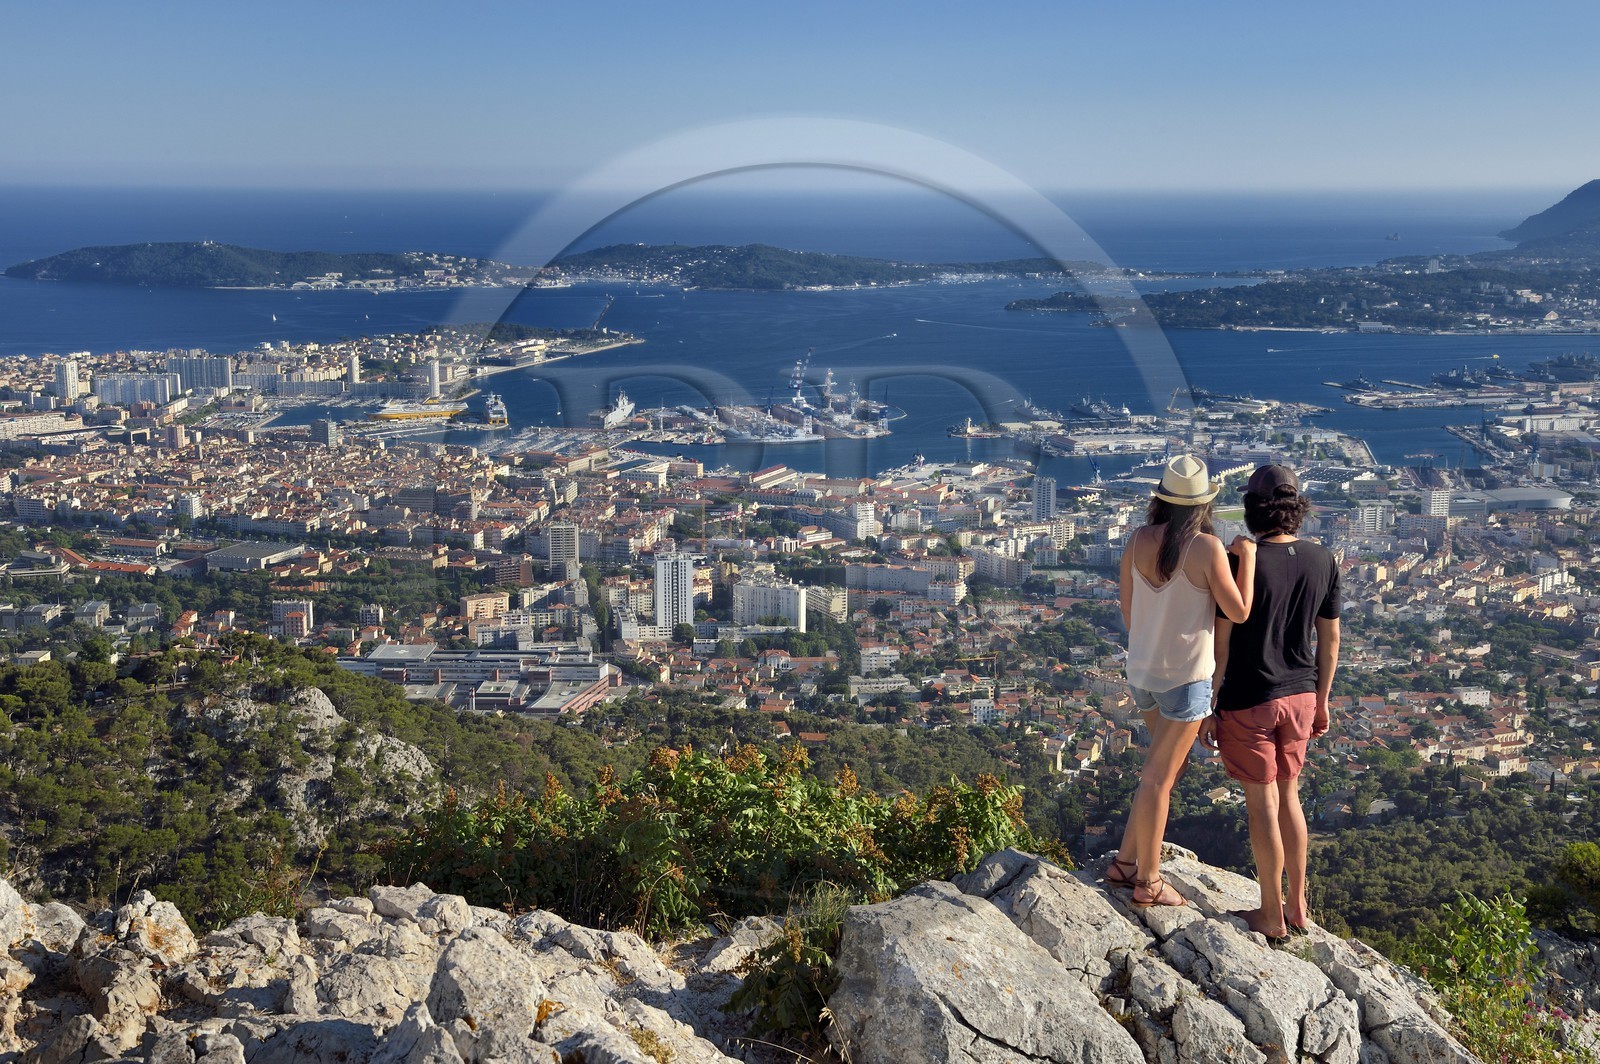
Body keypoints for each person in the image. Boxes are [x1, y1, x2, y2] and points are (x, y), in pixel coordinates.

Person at [1108, 455, 1255, 908]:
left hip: (1143, 673)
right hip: (1187, 678)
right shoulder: (1208, 548)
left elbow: (1129, 614)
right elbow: (1240, 611)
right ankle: (1148, 883)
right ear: (1203, 504)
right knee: (1158, 777)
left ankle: (1125, 862)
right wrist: (1246, 557)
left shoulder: (1136, 540)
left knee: (1167, 769)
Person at [1201, 464, 1340, 941]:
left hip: (1250, 698)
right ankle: (1298, 906)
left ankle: (1270, 914)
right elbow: (1331, 639)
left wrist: (1211, 704)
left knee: (1261, 805)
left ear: (1252, 509)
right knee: (1291, 796)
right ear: (1296, 509)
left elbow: (1221, 644)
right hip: (1301, 695)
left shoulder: (1241, 560)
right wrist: (1322, 701)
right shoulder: (1324, 560)